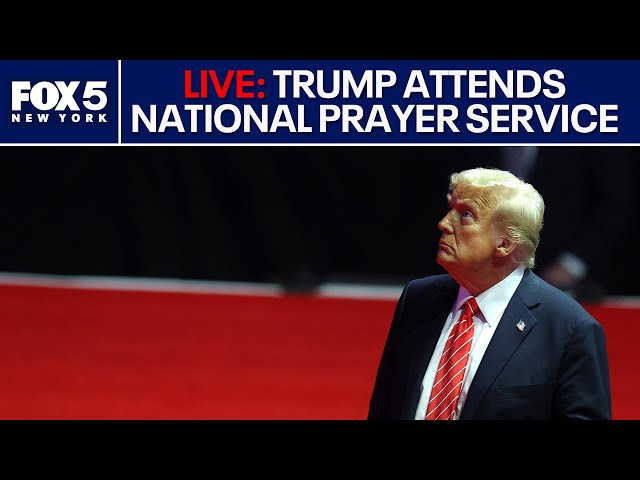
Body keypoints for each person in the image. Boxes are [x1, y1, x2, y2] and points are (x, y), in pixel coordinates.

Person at [367, 167, 611, 420]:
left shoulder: (569, 329)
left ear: (505, 244)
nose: (443, 223)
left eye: (465, 215)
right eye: (450, 209)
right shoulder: (418, 299)